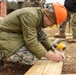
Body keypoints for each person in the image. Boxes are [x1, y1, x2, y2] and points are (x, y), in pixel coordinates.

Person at [0, 3, 67, 66]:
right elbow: (31, 42)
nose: (50, 26)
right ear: (49, 16)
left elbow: (42, 36)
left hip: (14, 35)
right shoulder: (31, 16)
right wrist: (50, 56)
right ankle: (2, 55)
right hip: (4, 36)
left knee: (38, 52)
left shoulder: (38, 16)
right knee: (31, 58)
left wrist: (54, 50)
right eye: (52, 23)